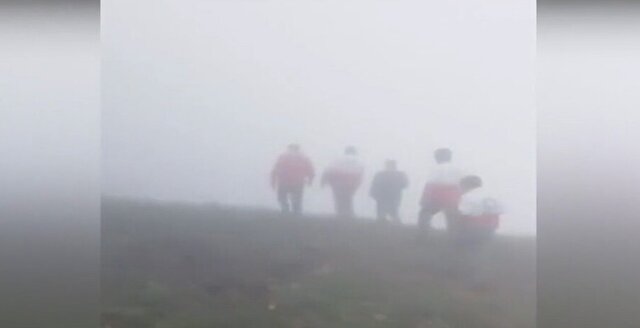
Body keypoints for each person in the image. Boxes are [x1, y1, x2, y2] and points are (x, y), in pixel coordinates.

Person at [418, 148, 463, 234]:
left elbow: (430, 182)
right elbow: (461, 183)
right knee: (452, 217)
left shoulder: (436, 168)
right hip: (452, 194)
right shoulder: (457, 169)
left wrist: (424, 198)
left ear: (439, 157)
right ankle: (453, 236)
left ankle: (422, 234)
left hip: (436, 192)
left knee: (425, 213)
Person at [455, 175, 502, 246]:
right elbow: (499, 210)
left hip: (473, 229)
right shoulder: (491, 195)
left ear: (467, 186)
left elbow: (463, 213)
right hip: (490, 229)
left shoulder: (468, 196)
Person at [271, 144, 315, 215]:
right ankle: (296, 212)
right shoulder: (304, 158)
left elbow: (276, 169)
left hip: (284, 181)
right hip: (298, 181)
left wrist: (273, 180)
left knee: (282, 196)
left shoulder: (283, 157)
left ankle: (285, 208)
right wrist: (310, 180)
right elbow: (310, 170)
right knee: (297, 197)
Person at [322, 146, 364, 217]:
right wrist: (357, 184)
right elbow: (360, 174)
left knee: (338, 197)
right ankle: (349, 213)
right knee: (348, 197)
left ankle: (340, 213)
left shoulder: (337, 159)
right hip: (351, 183)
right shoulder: (358, 161)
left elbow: (328, 170)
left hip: (337, 182)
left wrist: (324, 181)